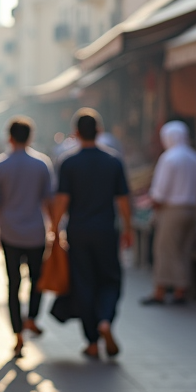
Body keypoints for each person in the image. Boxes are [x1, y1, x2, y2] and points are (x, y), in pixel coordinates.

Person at [51, 109, 133, 360]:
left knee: (84, 282)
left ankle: (92, 342)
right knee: (110, 280)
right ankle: (105, 320)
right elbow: (123, 201)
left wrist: (54, 230)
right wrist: (128, 229)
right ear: (99, 132)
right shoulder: (113, 161)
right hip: (106, 231)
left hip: (78, 231)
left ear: (75, 134)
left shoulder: (68, 162)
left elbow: (62, 200)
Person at [0, 117, 54, 358]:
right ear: (30, 137)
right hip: (36, 232)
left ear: (9, 137)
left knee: (13, 284)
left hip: (10, 233)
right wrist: (55, 229)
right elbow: (49, 201)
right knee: (38, 280)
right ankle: (32, 318)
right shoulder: (41, 164)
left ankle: (17, 335)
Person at [143, 121, 196, 306]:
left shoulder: (169, 158)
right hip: (192, 210)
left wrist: (153, 206)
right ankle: (179, 290)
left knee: (166, 251)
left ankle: (162, 291)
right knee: (183, 251)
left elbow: (159, 192)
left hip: (172, 210)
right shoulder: (195, 157)